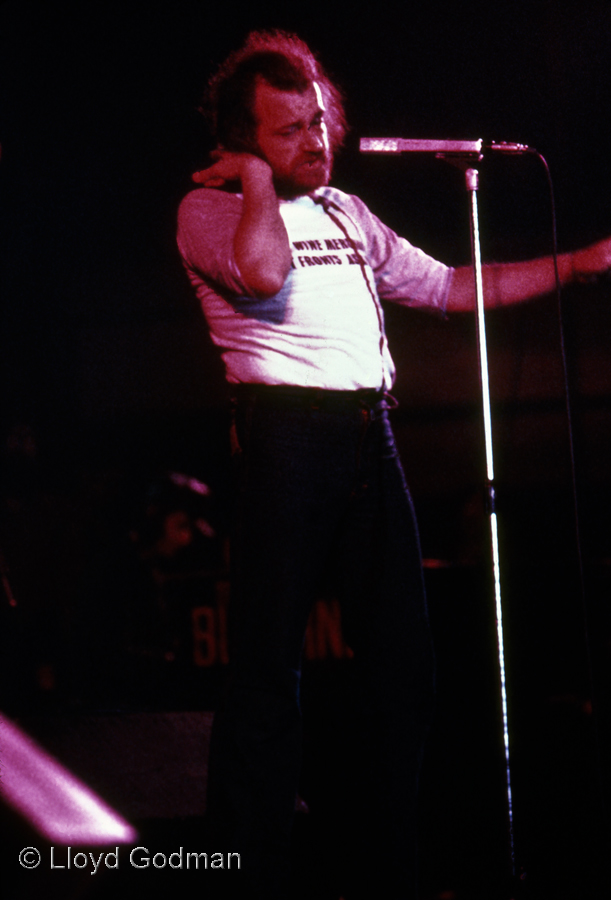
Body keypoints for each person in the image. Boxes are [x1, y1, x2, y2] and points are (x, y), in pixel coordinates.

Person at [176, 30, 611, 899]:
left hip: (367, 433)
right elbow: (261, 278)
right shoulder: (211, 211)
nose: (316, 140)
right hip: (284, 436)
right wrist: (256, 180)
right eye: (289, 129)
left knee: (402, 667)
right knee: (267, 667)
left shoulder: (346, 212)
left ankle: (391, 868)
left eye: (319, 121)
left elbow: (448, 287)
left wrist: (584, 263)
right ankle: (243, 872)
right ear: (240, 141)